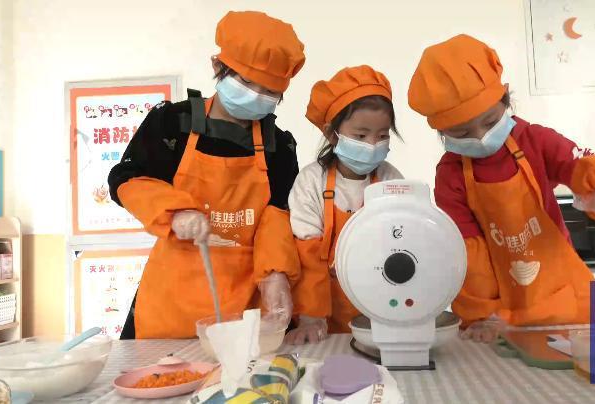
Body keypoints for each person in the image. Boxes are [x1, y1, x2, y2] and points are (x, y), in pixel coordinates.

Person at [407, 35, 595, 342]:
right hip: (503, 314)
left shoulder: (535, 140)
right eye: (462, 133)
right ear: (441, 132)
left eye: (490, 121)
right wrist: (482, 315)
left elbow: (578, 165)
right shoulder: (451, 175)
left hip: (569, 298)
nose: (481, 137)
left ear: (506, 99)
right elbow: (469, 253)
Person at [108, 11, 305, 339]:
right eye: (247, 82)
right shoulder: (172, 123)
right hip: (170, 304)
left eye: (269, 90)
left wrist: (276, 274)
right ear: (218, 66)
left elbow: (278, 214)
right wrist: (174, 213)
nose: (256, 95)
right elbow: (126, 178)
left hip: (246, 306)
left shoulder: (279, 146)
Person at [284, 66, 403, 345]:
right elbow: (307, 256)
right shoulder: (311, 181)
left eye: (382, 135)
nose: (373, 144)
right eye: (361, 136)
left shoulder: (392, 181)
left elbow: (405, 246)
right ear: (332, 134)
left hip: (380, 312)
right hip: (322, 318)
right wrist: (311, 318)